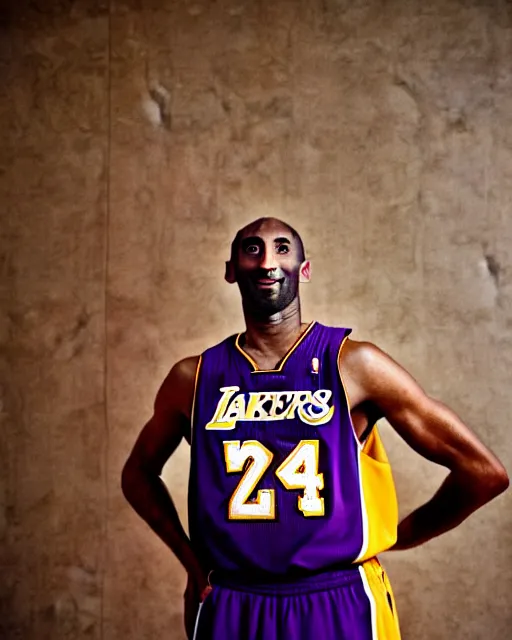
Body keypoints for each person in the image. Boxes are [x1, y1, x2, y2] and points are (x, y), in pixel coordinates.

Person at [121, 217, 509, 640]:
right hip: (232, 598)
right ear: (231, 270)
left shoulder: (354, 366)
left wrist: (402, 535)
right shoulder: (192, 379)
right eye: (253, 249)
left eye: (283, 249)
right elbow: (138, 474)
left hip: (339, 597)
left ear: (304, 269)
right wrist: (190, 561)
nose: (268, 261)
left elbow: (483, 472)